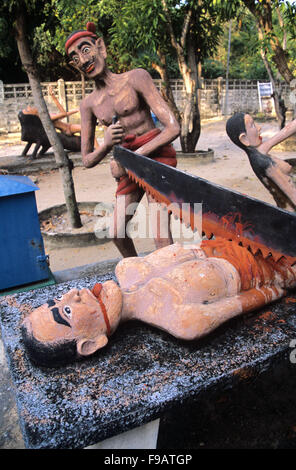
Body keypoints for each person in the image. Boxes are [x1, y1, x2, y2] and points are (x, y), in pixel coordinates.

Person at [21, 237, 296, 367]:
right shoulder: (182, 320)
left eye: (59, 298)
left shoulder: (127, 268)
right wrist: (285, 280)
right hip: (267, 266)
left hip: (234, 233)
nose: (73, 293)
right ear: (91, 343)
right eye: (67, 311)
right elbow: (259, 295)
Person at [65, 22, 180, 257]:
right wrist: (106, 144)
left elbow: (172, 127)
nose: (83, 59)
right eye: (75, 58)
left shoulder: (136, 78)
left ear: (100, 47)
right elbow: (86, 159)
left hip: (155, 158)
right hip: (127, 165)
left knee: (160, 235)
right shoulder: (88, 104)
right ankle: (136, 270)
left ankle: (171, 279)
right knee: (116, 231)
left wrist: (134, 158)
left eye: (85, 49)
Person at [226, 112, 296, 211]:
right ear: (244, 138)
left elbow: (283, 133)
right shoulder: (263, 163)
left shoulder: (258, 154)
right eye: (253, 125)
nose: (259, 128)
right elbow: (291, 194)